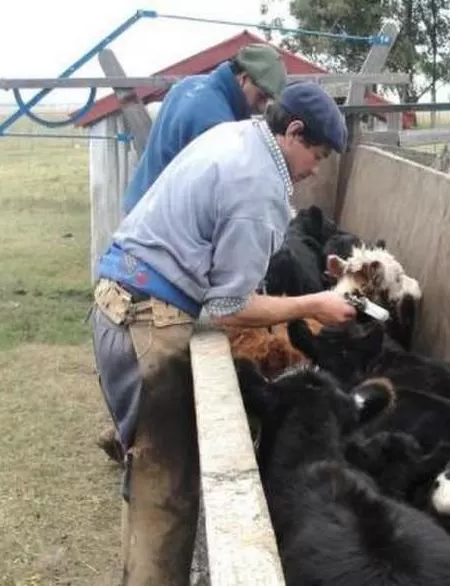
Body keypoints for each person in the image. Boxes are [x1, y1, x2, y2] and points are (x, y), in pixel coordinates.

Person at [88, 81, 356, 584]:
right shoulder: (258, 185)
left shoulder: (236, 136)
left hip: (117, 302)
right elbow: (230, 307)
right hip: (150, 321)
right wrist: (316, 302)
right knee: (167, 493)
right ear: (293, 131)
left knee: (147, 476)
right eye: (315, 153)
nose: (314, 168)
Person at [122, 43, 288, 215]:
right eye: (261, 96)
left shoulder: (187, 85)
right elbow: (215, 200)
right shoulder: (215, 124)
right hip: (159, 221)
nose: (262, 108)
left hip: (140, 203)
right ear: (243, 79)